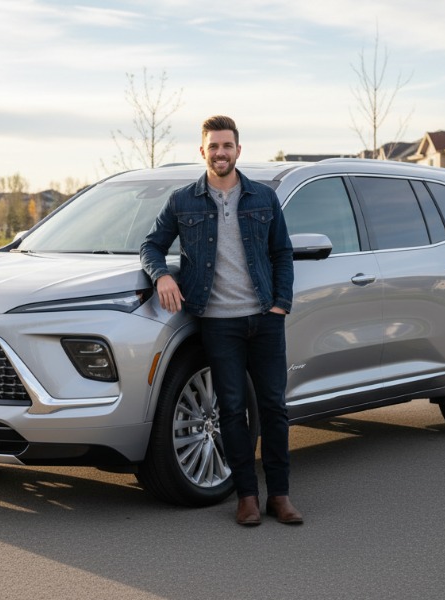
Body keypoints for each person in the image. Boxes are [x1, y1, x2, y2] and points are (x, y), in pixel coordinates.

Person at [140, 115, 302, 526]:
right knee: (230, 409)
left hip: (265, 318)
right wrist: (160, 276)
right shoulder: (183, 201)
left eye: (227, 146)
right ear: (203, 151)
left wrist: (281, 302)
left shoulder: (263, 198)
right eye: (213, 146)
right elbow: (151, 245)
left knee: (274, 408)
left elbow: (282, 252)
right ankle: (247, 496)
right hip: (217, 322)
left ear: (238, 150)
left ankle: (279, 496)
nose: (220, 153)